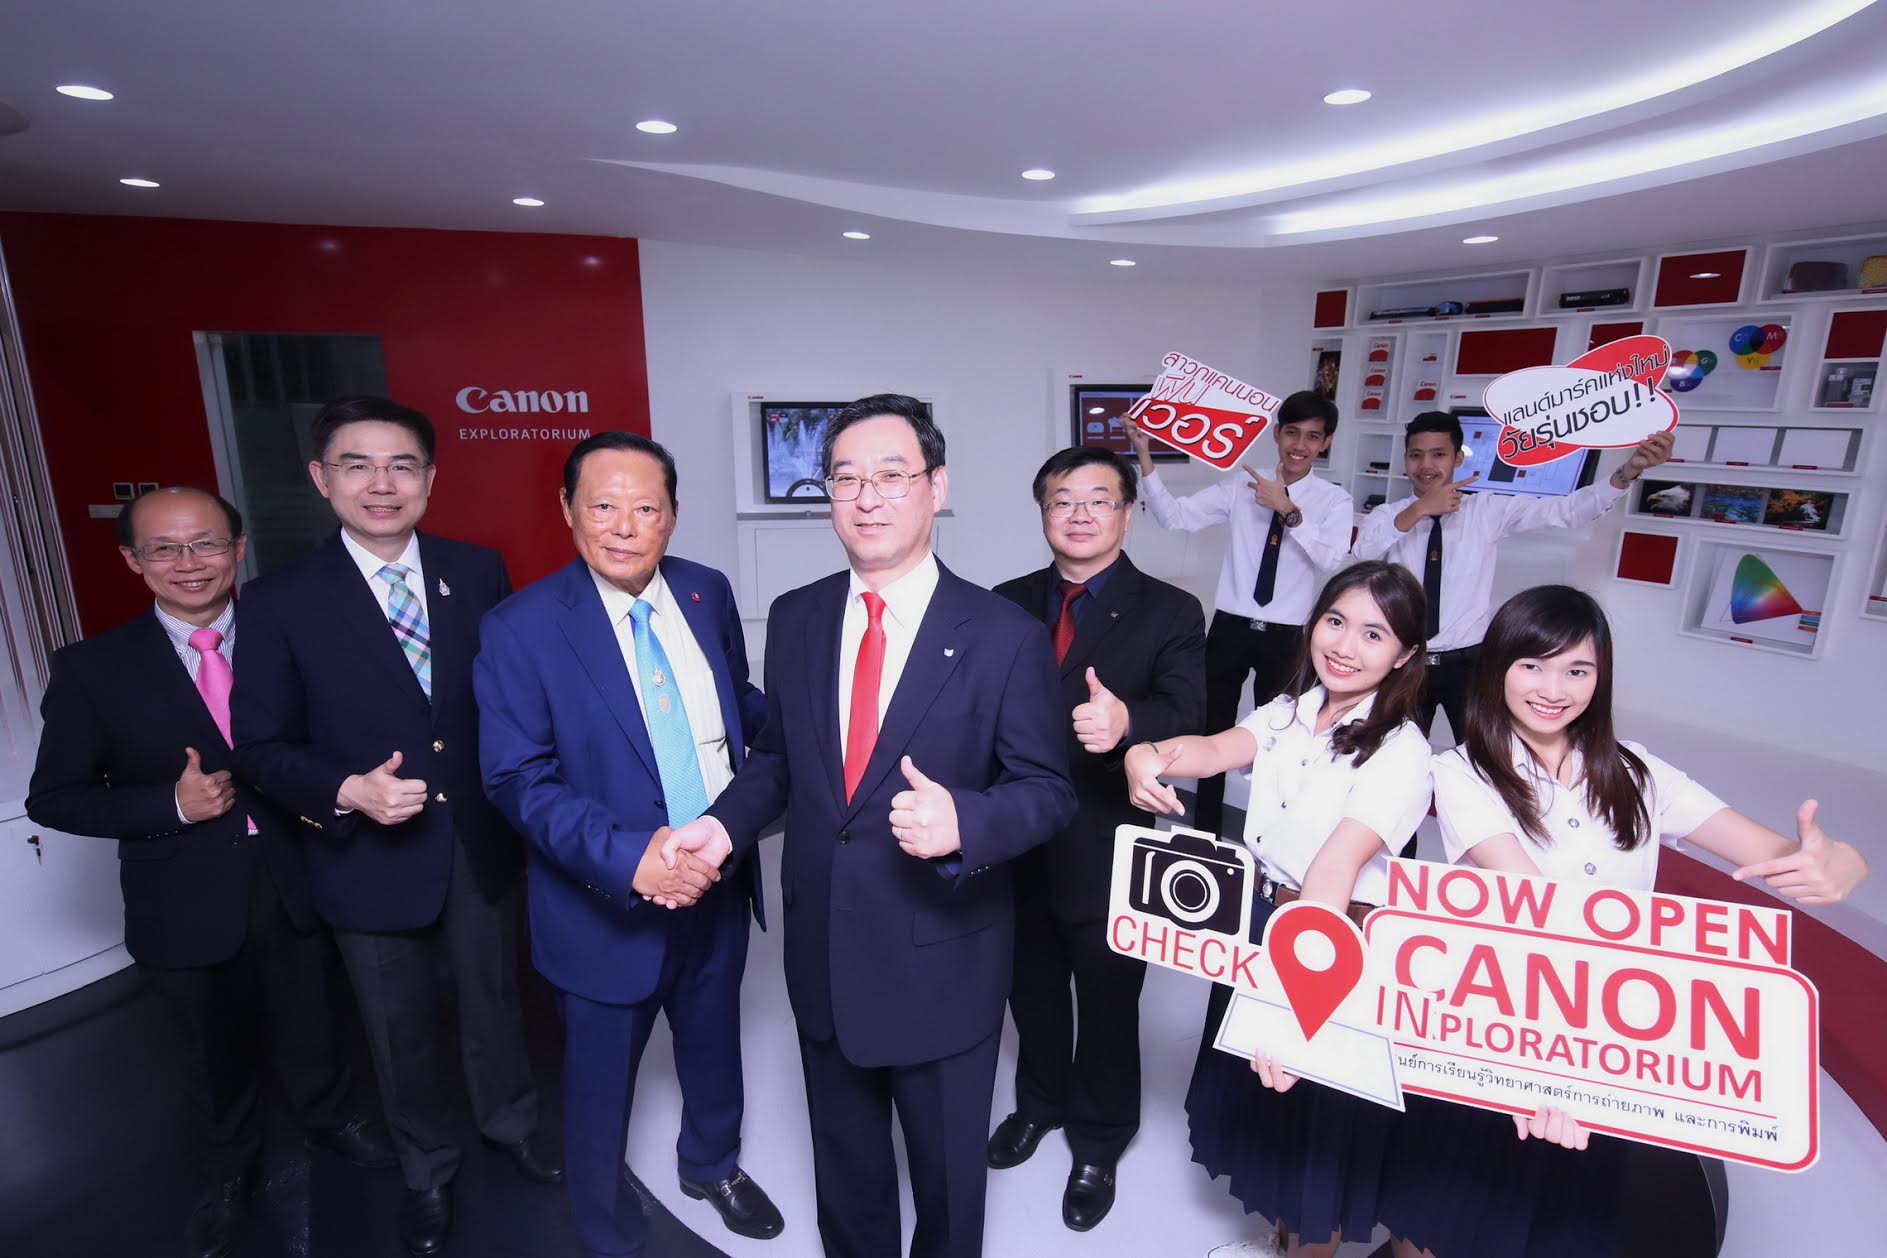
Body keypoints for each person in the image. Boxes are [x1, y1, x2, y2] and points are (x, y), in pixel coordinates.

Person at [663, 394, 1076, 1258]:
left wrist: (966, 818)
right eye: (845, 478)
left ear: (935, 487)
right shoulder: (798, 616)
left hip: (942, 957)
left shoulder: (1003, 635)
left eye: (891, 475)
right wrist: (722, 827)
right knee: (846, 1183)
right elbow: (779, 759)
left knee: (948, 1193)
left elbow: (1047, 790)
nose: (867, 498)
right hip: (824, 954)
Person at [1379, 584, 1869, 1258]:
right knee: (1436, 1209)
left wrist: (1839, 860)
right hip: (1495, 1027)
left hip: (1605, 1038)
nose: (1553, 689)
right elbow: (1534, 905)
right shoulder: (1463, 772)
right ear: (1496, 668)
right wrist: (1548, 1075)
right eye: (1532, 665)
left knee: (1552, 1220)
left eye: (1576, 670)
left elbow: (1777, 850)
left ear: (1600, 677)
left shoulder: (1638, 771)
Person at [26, 487, 392, 1258]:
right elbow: (53, 799)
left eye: (206, 544)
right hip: (183, 894)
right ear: (132, 560)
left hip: (302, 870)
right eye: (163, 548)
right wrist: (171, 804)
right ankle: (228, 1170)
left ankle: (330, 1118)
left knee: (315, 1022)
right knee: (210, 1051)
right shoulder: (92, 669)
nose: (188, 563)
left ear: (239, 548)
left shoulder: (292, 637)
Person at [231, 396, 556, 1257]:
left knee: (495, 1003)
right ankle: (426, 1168)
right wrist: (344, 789)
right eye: (357, 465)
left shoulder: (476, 570)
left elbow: (512, 701)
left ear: (429, 478)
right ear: (320, 479)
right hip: (367, 854)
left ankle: (512, 1125)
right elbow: (258, 745)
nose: (381, 484)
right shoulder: (276, 601)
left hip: (478, 841)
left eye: (401, 465)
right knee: (394, 1025)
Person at [474, 431, 784, 1257]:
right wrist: (631, 859)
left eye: (645, 508)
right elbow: (517, 778)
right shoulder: (520, 628)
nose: (622, 526)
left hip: (716, 877)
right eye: (602, 505)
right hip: (603, 901)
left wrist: (809, 733)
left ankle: (711, 1165)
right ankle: (604, 1227)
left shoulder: (706, 592)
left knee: (713, 1043)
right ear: (567, 509)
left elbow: (735, 704)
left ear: (671, 516)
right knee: (599, 1081)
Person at [1124, 561, 1435, 1258]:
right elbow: (1213, 749)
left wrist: (1298, 1015)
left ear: (1405, 655)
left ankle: (1307, 1246)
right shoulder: (1291, 710)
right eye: (1335, 622)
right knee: (1273, 1114)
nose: (1344, 646)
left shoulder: (1402, 751)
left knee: (1315, 1137)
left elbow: (1333, 872)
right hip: (1264, 925)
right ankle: (1286, 1241)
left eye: (1373, 634)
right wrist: (1146, 753)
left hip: (1332, 943)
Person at [985, 447, 1206, 1230]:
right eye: (1061, 500)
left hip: (1107, 833)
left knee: (1108, 1000)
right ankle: (1039, 1103)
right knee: (1030, 984)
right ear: (1042, 512)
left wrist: (1127, 724)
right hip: (1015, 837)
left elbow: (1187, 711)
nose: (1078, 515)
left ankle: (1099, 1138)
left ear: (1127, 512)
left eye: (1097, 500)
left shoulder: (1169, 610)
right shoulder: (1005, 602)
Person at [1351, 411, 1673, 739]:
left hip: (1469, 664)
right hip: (1406, 661)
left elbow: (1568, 511)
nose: (1426, 465)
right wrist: (1419, 509)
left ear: (1457, 458)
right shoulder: (1390, 515)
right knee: (1396, 750)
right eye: (1416, 455)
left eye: (1438, 454)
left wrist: (1627, 471)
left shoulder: (1486, 509)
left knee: (1483, 750)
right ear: (1405, 459)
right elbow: (1363, 551)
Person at [1124, 390, 1350, 838]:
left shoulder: (1333, 501)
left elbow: (1330, 559)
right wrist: (1145, 456)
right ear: (1276, 434)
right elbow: (1176, 517)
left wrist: (1288, 510)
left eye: (1312, 436)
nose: (1300, 445)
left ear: (1326, 443)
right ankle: (1204, 835)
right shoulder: (1241, 486)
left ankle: (1270, 837)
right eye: (1292, 433)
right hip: (1230, 629)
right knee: (1211, 733)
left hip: (1289, 636)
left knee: (1281, 739)